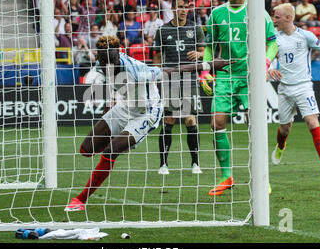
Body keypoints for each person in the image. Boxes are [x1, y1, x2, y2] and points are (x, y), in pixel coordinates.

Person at [64, 36, 231, 211]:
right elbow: (111, 88)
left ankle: (80, 200)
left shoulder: (137, 71)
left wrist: (209, 65)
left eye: (111, 61)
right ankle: (121, 142)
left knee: (111, 150)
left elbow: (174, 69)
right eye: (104, 61)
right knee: (85, 150)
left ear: (118, 55)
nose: (108, 66)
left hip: (147, 113)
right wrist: (108, 111)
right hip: (124, 106)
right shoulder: (101, 65)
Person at [201, 0, 278, 196]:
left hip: (249, 77)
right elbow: (209, 47)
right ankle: (227, 176)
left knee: (255, 126)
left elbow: (273, 43)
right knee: (216, 124)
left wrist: (265, 62)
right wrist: (206, 72)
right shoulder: (216, 14)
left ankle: (262, 178)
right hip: (225, 76)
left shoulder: (258, 14)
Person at [269, 3, 320, 177]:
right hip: (284, 88)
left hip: (304, 86)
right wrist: (269, 69)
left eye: (277, 17)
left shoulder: (305, 36)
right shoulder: (275, 38)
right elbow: (267, 56)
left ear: (288, 18)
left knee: (312, 122)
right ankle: (281, 146)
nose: (275, 20)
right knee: (284, 128)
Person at [152, 0, 206, 175]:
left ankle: (195, 163)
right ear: (173, 9)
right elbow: (157, 55)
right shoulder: (163, 31)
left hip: (190, 79)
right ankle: (163, 164)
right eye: (180, 7)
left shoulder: (195, 28)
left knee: (190, 119)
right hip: (170, 80)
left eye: (185, 7)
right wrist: (158, 73)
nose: (183, 10)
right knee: (169, 120)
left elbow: (203, 51)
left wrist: (198, 56)